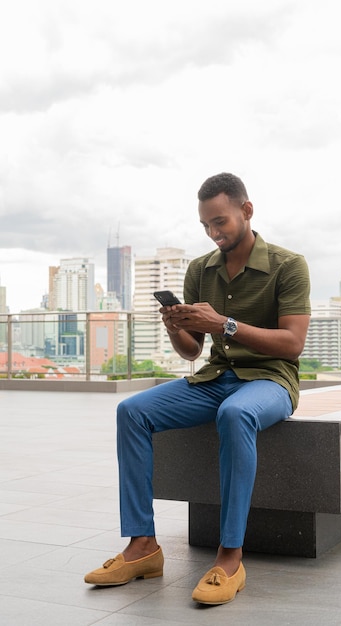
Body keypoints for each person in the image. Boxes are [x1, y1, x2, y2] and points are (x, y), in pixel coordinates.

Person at [84, 172, 311, 605]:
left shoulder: (288, 264)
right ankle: (143, 546)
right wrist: (177, 326)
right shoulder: (199, 270)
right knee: (131, 411)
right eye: (206, 225)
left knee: (236, 413)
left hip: (270, 380)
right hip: (215, 379)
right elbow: (192, 352)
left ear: (246, 211)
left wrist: (223, 323)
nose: (214, 232)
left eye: (221, 221)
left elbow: (292, 343)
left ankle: (230, 556)